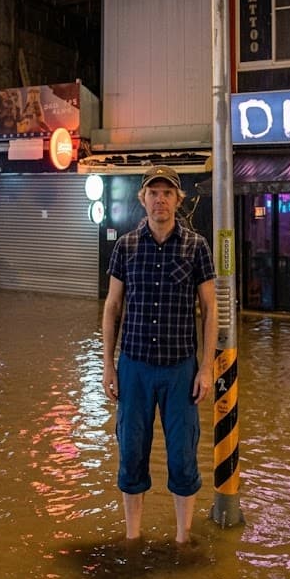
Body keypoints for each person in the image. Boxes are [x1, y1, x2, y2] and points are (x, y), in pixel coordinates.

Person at [102, 165, 217, 545]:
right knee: (131, 453)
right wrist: (108, 366)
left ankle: (183, 540)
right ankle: (133, 538)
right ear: (143, 200)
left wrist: (205, 369)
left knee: (183, 456)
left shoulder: (196, 246)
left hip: (180, 369)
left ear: (178, 200)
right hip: (133, 366)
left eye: (168, 192)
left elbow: (210, 309)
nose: (160, 199)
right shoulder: (126, 246)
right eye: (154, 192)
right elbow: (112, 307)